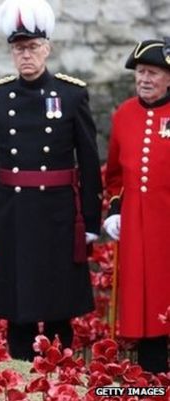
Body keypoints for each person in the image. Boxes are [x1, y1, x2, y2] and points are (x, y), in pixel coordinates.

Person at [0, 0, 102, 361]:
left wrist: (91, 220)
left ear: (47, 47)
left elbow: (90, 161)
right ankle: (18, 366)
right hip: (13, 209)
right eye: (19, 49)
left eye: (33, 47)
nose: (26, 56)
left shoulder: (71, 94)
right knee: (17, 300)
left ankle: (60, 365)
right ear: (11, 52)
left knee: (57, 298)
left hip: (58, 211)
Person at [103, 39, 170, 374]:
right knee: (145, 299)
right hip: (138, 229)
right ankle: (150, 374)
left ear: (169, 78)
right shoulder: (124, 114)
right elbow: (114, 174)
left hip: (167, 225)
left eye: (152, 73)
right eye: (140, 72)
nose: (144, 78)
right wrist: (115, 209)